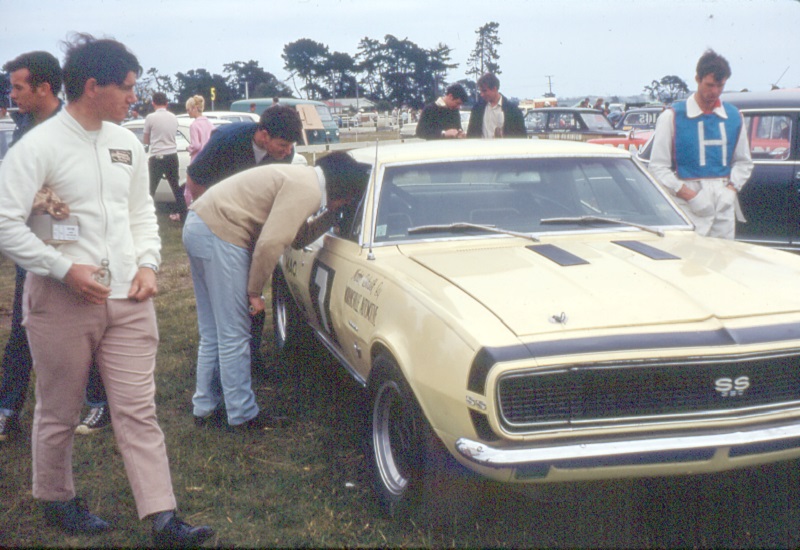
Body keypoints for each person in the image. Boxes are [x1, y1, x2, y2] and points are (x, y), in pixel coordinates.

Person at [0, 34, 213, 545]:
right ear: (92, 86)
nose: (133, 98)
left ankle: (162, 516)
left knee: (139, 410)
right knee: (59, 408)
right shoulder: (38, 147)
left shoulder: (125, 144)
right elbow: (7, 223)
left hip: (130, 300)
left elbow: (140, 212)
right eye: (127, 88)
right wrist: (60, 268)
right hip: (60, 302)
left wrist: (148, 265)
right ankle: (56, 497)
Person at [183, 152, 368, 430]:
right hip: (222, 233)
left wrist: (330, 217)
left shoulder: (301, 178)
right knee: (235, 332)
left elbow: (297, 238)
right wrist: (254, 291)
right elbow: (271, 243)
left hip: (199, 226)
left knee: (213, 331)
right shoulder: (309, 189)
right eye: (349, 199)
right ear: (343, 189)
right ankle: (242, 414)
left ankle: (205, 407)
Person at [0, 51, 110, 441]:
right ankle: (7, 410)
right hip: (34, 239)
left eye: (17, 87)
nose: (11, 95)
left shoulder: (76, 126)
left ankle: (99, 404)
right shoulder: (22, 127)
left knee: (87, 322)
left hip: (75, 237)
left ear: (44, 88)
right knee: (24, 325)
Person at [185, 104, 303, 369]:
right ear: (263, 134)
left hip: (250, 227)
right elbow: (194, 180)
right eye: (282, 145)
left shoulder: (285, 153)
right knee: (228, 295)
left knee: (253, 289)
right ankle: (226, 354)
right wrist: (218, 218)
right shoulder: (228, 140)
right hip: (216, 223)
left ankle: (252, 356)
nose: (287, 152)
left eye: (289, 147)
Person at [649, 49, 753, 239]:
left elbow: (744, 162)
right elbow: (657, 167)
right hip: (687, 206)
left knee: (722, 261)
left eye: (720, 86)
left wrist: (731, 189)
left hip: (723, 205)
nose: (714, 92)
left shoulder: (734, 117)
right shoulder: (671, 117)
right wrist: (689, 195)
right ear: (697, 79)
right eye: (710, 85)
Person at [144, 91, 186, 222]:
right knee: (176, 187)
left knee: (150, 188)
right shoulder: (173, 117)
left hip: (157, 155)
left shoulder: (150, 118)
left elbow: (146, 140)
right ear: (167, 103)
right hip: (172, 155)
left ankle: (146, 215)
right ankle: (183, 214)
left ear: (153, 103)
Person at [466, 73, 526, 139]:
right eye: (480, 91)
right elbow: (470, 134)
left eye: (484, 91)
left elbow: (521, 136)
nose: (482, 94)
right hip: (482, 149)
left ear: (494, 89)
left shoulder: (513, 111)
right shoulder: (477, 109)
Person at [184, 94, 214, 206]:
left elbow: (196, 145)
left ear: (194, 108)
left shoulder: (194, 125)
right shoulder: (210, 124)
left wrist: (189, 148)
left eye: (188, 110)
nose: (188, 113)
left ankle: (188, 211)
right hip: (208, 158)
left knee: (190, 188)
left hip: (197, 159)